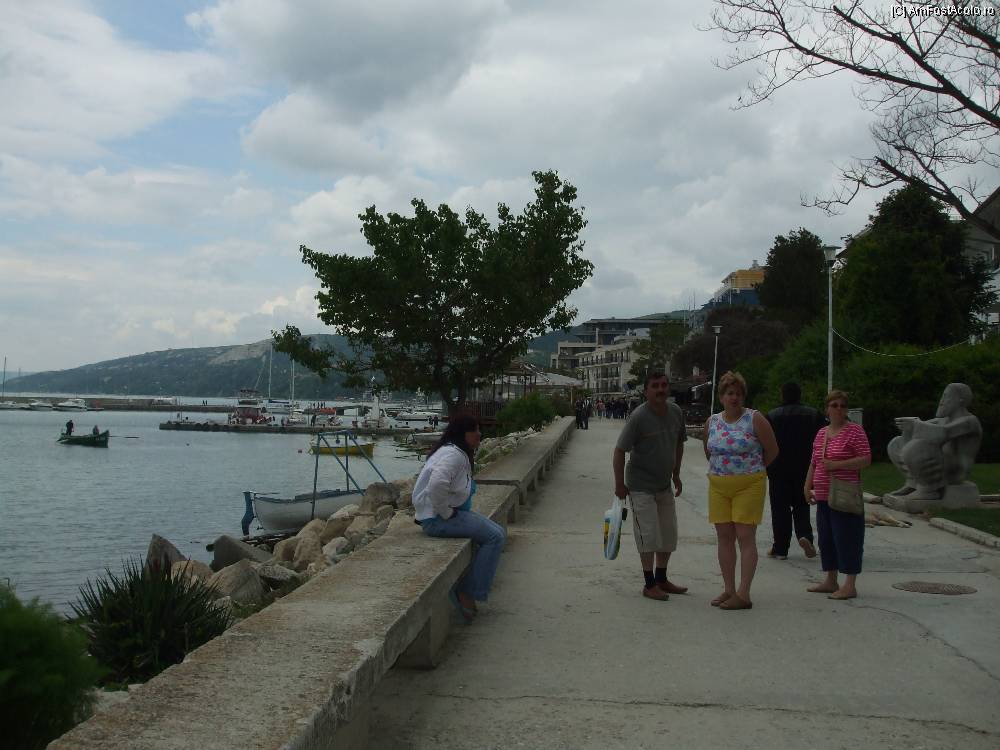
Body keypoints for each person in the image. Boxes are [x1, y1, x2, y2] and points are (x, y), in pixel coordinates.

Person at [412, 413, 506, 622]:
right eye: (475, 431)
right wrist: (445, 512)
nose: (479, 434)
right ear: (463, 433)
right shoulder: (453, 455)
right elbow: (436, 484)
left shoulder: (454, 451)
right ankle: (466, 592)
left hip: (445, 515)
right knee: (495, 538)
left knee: (499, 532)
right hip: (437, 520)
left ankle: (469, 586)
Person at [703, 371, 779, 610]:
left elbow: (772, 449)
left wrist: (754, 469)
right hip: (718, 486)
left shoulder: (755, 419)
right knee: (724, 537)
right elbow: (709, 450)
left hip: (749, 485)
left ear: (743, 396)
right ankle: (729, 589)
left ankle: (743, 593)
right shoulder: (712, 421)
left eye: (738, 393)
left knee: (745, 537)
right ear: (721, 397)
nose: (734, 397)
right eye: (729, 393)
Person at [613, 371, 688, 601]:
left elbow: (679, 443)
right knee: (648, 534)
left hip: (663, 484)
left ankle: (661, 578)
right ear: (646, 391)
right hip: (640, 485)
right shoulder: (638, 417)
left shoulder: (676, 412)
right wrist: (619, 484)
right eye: (655, 386)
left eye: (664, 385)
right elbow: (619, 451)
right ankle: (649, 584)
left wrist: (676, 473)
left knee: (667, 532)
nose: (660, 390)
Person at [804, 390, 872, 600]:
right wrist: (807, 486)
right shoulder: (821, 433)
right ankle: (831, 580)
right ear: (827, 409)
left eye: (843, 406)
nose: (839, 409)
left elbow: (865, 459)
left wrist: (837, 465)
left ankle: (850, 584)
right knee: (827, 539)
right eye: (834, 405)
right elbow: (814, 462)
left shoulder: (855, 431)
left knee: (847, 538)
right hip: (824, 495)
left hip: (844, 495)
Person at [886, 382, 982, 502]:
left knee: (918, 447)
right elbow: (922, 427)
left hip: (955, 472)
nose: (941, 401)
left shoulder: (970, 422)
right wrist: (909, 427)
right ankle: (913, 483)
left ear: (960, 400)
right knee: (896, 443)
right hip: (943, 464)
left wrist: (915, 424)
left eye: (946, 396)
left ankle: (928, 490)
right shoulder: (943, 420)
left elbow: (944, 433)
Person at [766, 382, 826, 560]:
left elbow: (764, 442)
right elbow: (824, 438)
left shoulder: (772, 416)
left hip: (778, 469)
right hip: (805, 469)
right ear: (800, 395)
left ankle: (780, 548)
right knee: (802, 505)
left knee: (780, 509)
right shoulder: (813, 414)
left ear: (782, 395)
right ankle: (804, 536)